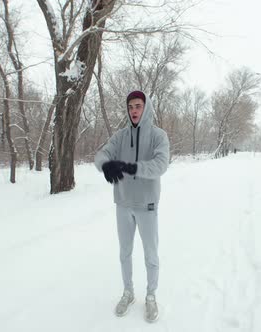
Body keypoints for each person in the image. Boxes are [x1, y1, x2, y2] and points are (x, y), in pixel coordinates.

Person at [94, 90, 170, 323]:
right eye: (130, 107)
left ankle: (150, 295)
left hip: (147, 204)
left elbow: (160, 164)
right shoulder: (120, 136)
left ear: (145, 108)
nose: (134, 110)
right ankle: (128, 292)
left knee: (150, 253)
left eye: (138, 106)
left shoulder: (159, 135)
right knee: (124, 252)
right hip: (123, 204)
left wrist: (132, 167)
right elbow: (101, 155)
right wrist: (105, 165)